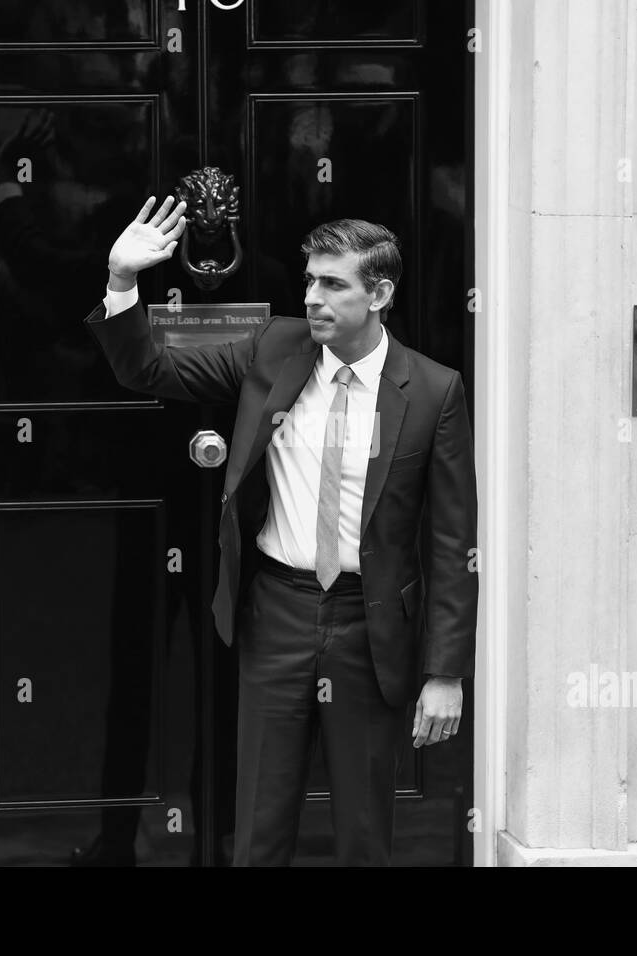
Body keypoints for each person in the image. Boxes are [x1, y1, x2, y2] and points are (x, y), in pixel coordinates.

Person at [83, 195, 478, 865]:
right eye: (309, 281)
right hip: (278, 613)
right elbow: (146, 369)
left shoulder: (434, 392)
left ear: (379, 292)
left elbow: (451, 541)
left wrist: (446, 674)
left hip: (369, 623)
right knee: (259, 824)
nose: (313, 298)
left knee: (362, 833)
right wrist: (123, 281)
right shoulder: (274, 349)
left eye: (332, 283)